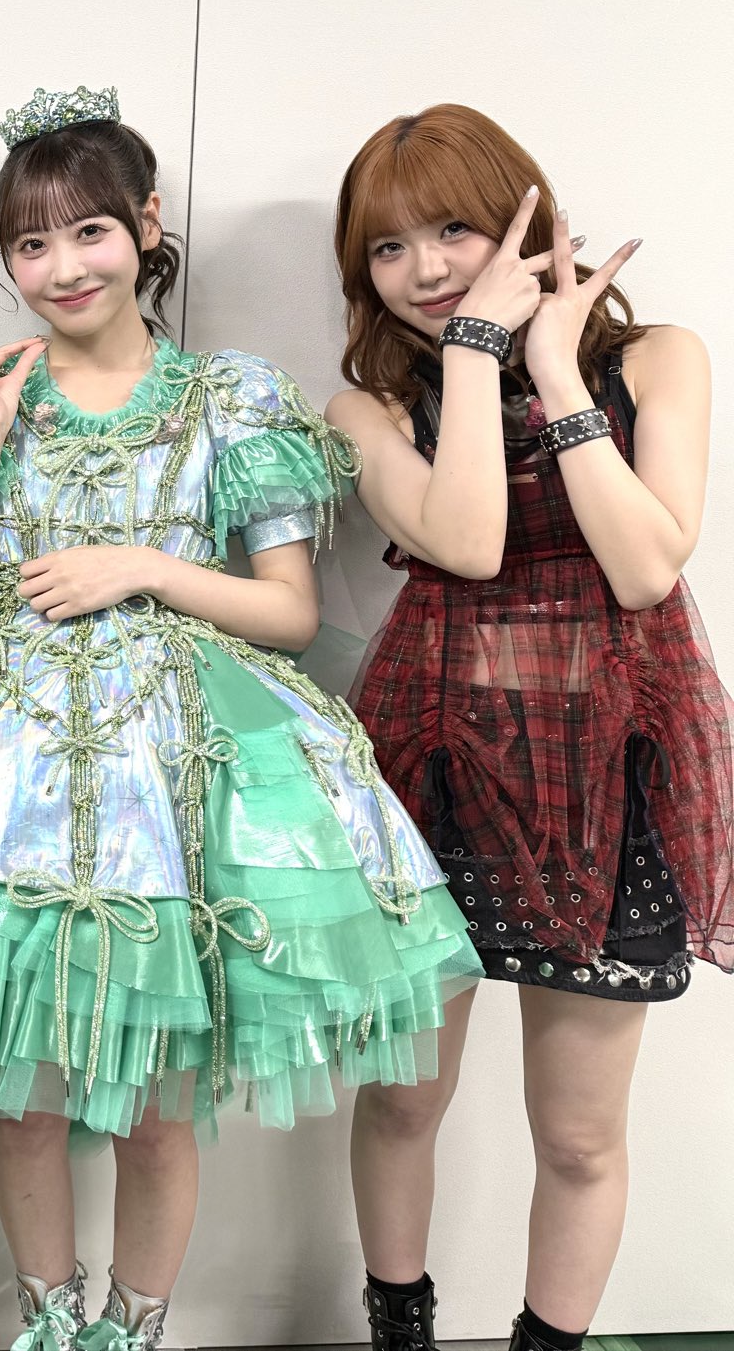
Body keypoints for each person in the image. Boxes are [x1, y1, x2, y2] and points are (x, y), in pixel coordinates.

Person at [0, 86, 482, 1350]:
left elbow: (286, 613)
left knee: (155, 1104)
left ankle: (131, 1332)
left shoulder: (226, 398)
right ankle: (45, 1326)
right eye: (29, 244)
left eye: (87, 231)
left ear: (145, 224)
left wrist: (139, 565)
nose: (61, 267)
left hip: (176, 783)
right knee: (17, 1088)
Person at [330, 104, 732, 1351]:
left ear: (524, 217)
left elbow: (643, 569)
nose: (424, 268)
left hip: (608, 772)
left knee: (576, 1133)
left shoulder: (655, 358)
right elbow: (466, 542)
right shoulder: (364, 406)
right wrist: (468, 354)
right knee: (403, 1101)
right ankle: (399, 1333)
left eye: (451, 229)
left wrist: (553, 371)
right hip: (431, 767)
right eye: (386, 248)